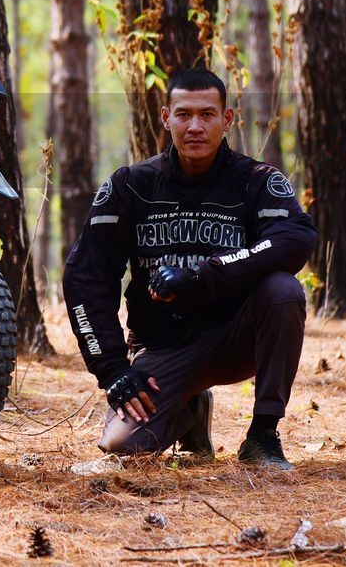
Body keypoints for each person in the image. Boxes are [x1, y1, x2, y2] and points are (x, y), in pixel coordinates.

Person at [62, 67, 317, 469]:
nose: (194, 126)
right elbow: (86, 277)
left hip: (236, 338)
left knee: (283, 291)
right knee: (121, 444)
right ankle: (190, 411)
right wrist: (111, 370)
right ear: (166, 118)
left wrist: (203, 274)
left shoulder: (256, 180)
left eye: (207, 114)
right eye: (183, 114)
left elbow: (296, 239)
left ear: (227, 119)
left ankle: (263, 436)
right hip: (162, 346)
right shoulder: (131, 185)